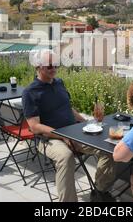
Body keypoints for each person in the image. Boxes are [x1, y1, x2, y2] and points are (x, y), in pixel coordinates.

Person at [22, 50, 116, 202]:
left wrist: (87, 122)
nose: (54, 69)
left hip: (73, 132)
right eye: (49, 66)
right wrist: (63, 136)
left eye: (56, 65)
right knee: (66, 157)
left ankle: (100, 191)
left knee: (109, 147)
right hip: (49, 138)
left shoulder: (59, 83)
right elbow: (35, 127)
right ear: (38, 67)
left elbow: (68, 108)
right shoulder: (30, 92)